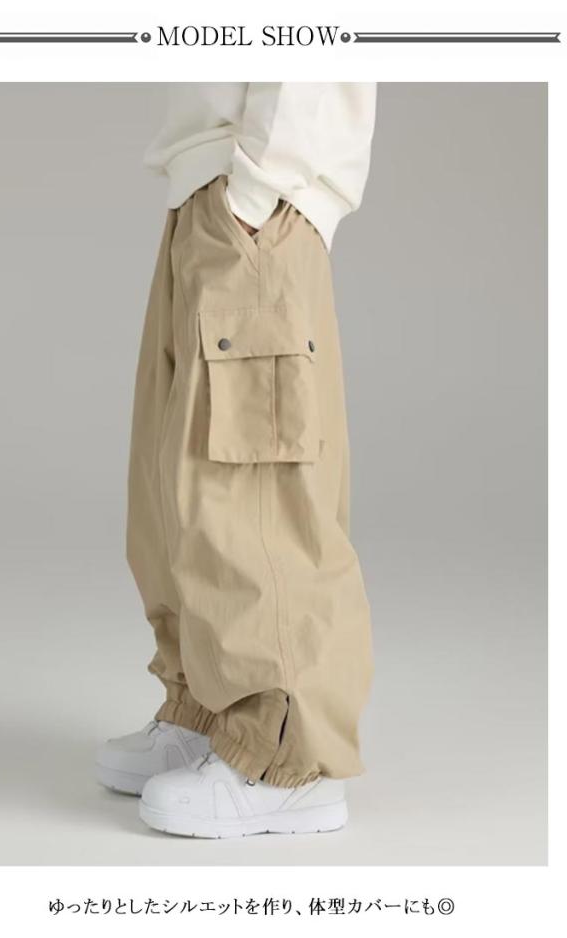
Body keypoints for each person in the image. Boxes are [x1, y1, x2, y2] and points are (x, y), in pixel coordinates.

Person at [96, 82, 377, 838]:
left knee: (254, 496)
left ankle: (286, 760)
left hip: (257, 195)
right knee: (176, 483)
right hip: (208, 189)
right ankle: (205, 712)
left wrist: (258, 188)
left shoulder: (255, 193)